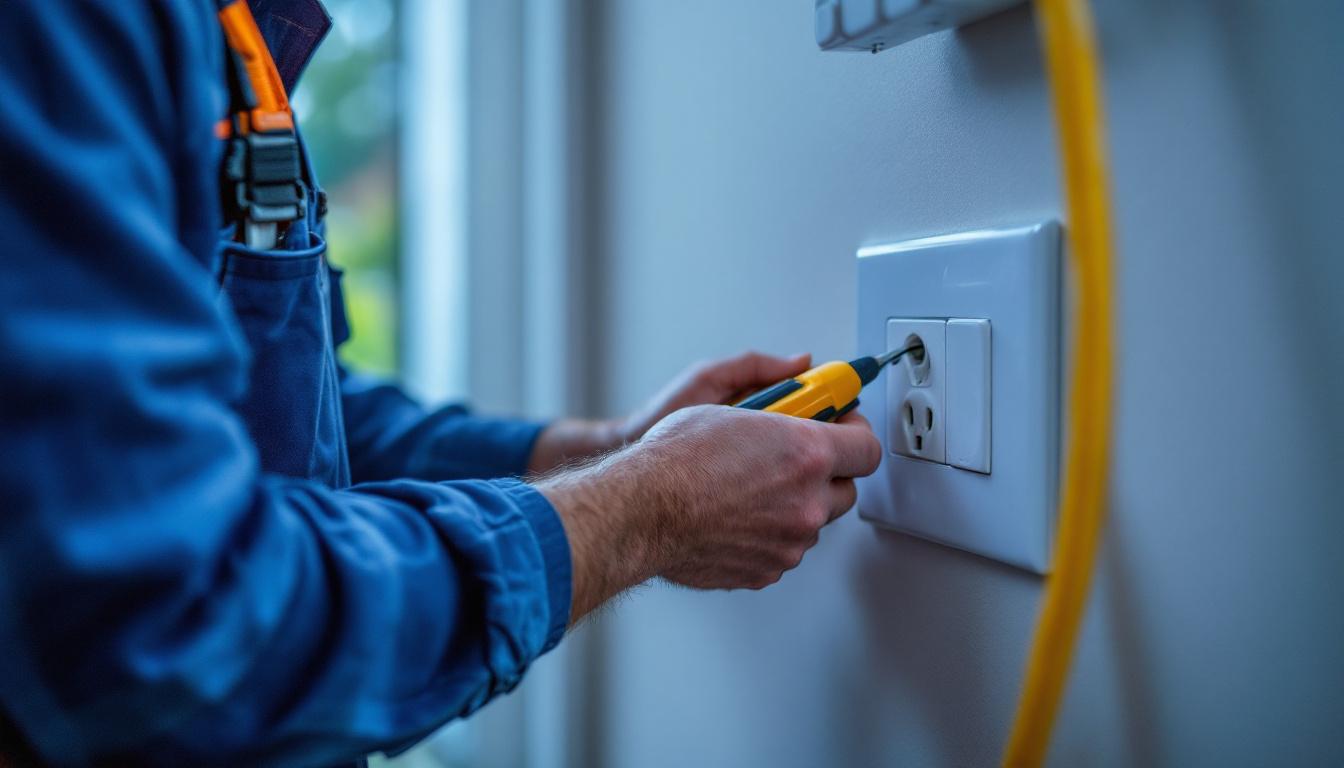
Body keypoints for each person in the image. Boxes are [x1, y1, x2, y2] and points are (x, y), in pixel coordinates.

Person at [0, 1, 880, 765]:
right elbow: (171, 620)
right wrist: (649, 506)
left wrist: (600, 453)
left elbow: (279, 412)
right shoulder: (64, 28)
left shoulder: (230, 41)